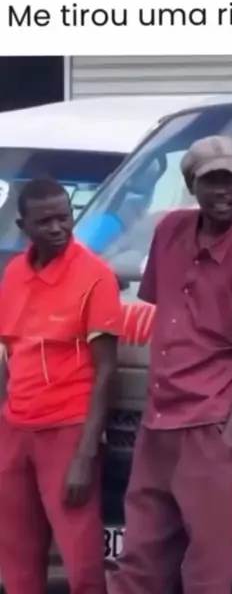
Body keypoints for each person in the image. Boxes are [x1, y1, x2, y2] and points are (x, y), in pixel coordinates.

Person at [108, 135, 232, 594]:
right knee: (139, 559)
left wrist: (230, 437)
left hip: (210, 427)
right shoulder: (170, 230)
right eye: (212, 181)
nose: (224, 191)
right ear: (192, 185)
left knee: (207, 569)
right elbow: (160, 306)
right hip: (157, 420)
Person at [0, 177, 123, 594]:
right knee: (16, 557)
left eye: (64, 217)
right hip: (15, 428)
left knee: (80, 561)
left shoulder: (95, 276)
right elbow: (8, 353)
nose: (57, 228)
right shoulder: (14, 273)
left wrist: (85, 455)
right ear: (24, 226)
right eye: (45, 221)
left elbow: (106, 370)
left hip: (67, 430)